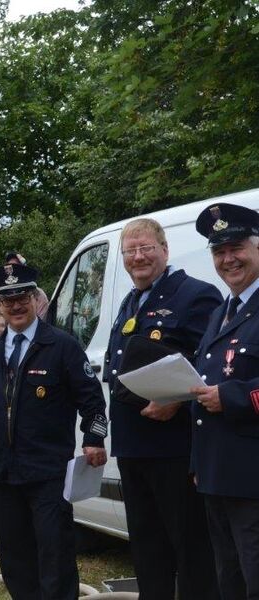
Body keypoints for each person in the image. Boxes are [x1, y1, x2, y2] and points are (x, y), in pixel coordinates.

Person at [0, 262, 107, 599]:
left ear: (35, 299)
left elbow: (92, 401)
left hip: (48, 474)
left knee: (54, 556)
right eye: (7, 299)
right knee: (14, 558)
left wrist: (94, 439)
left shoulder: (62, 346)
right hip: (4, 473)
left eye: (22, 297)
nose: (15, 305)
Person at [104, 217, 221, 600]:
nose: (138, 257)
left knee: (190, 551)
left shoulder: (195, 295)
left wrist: (176, 400)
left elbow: (211, 365)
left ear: (164, 250)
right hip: (132, 446)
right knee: (146, 549)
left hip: (175, 448)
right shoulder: (131, 300)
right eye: (130, 251)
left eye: (146, 248)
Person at [191, 203, 259, 600]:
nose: (228, 259)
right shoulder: (221, 312)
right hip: (217, 474)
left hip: (252, 478)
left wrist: (230, 397)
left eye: (236, 248)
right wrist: (198, 464)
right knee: (229, 580)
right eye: (219, 252)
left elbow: (225, 390)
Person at [0, 252, 50, 319]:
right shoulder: (1, 293)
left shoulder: (39, 294)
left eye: (23, 299)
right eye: (8, 301)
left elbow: (42, 319)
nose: (16, 306)